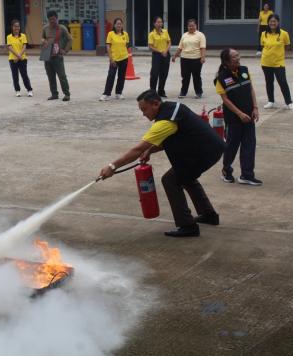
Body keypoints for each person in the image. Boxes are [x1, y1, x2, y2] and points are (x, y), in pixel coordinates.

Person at [99, 90, 225, 237]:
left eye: (144, 109)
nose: (144, 114)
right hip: (209, 147)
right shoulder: (172, 109)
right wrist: (150, 151)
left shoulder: (165, 121)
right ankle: (209, 215)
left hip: (203, 152)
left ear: (156, 104)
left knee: (171, 180)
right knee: (185, 177)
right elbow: (171, 137)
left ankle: (187, 225)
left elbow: (137, 149)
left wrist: (112, 167)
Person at [215, 48, 262, 186]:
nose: (238, 58)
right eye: (235, 56)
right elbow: (225, 100)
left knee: (249, 144)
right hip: (234, 118)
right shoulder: (221, 78)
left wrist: (255, 108)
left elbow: (251, 89)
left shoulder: (244, 70)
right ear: (227, 61)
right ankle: (226, 171)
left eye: (238, 55)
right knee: (231, 146)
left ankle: (247, 175)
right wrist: (239, 113)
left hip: (249, 115)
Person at [260, 14, 293, 111]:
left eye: (274, 21)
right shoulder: (264, 34)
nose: (272, 23)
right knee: (269, 82)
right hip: (266, 62)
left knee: (283, 82)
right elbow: (263, 46)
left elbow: (287, 46)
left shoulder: (284, 34)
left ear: (278, 22)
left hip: (278, 63)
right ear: (268, 22)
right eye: (271, 21)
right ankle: (271, 101)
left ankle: (289, 103)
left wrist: (278, 54)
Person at [41, 10, 72, 102]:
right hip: (47, 55)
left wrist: (65, 50)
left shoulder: (62, 28)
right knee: (50, 76)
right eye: (50, 19)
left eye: (53, 19)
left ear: (56, 18)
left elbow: (70, 39)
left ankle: (67, 94)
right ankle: (54, 94)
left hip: (57, 56)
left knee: (62, 76)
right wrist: (43, 41)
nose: (52, 21)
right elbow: (42, 37)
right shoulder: (45, 28)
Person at [172, 19, 206, 99]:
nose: (191, 27)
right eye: (189, 26)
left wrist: (203, 57)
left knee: (196, 76)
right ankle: (183, 92)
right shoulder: (184, 35)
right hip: (184, 59)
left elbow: (203, 47)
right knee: (185, 76)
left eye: (193, 25)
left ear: (196, 26)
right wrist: (175, 56)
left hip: (196, 59)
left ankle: (198, 92)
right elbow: (180, 47)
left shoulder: (200, 35)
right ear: (187, 26)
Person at [99, 18, 129, 101]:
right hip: (114, 59)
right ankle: (106, 94)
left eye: (120, 24)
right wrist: (111, 58)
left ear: (122, 25)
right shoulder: (110, 34)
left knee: (121, 76)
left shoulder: (125, 34)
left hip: (124, 58)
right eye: (117, 24)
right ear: (114, 25)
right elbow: (108, 47)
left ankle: (118, 93)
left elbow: (126, 45)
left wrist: (123, 53)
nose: (119, 25)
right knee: (111, 76)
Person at [7, 19, 33, 98]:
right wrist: (17, 56)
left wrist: (19, 56)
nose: (17, 28)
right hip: (13, 59)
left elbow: (24, 46)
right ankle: (17, 90)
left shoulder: (23, 36)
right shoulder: (9, 37)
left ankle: (29, 90)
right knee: (15, 76)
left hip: (22, 59)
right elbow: (10, 47)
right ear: (12, 27)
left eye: (18, 26)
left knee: (24, 75)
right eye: (15, 26)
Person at [148, 16, 171, 98]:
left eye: (161, 22)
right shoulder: (151, 34)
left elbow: (169, 42)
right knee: (154, 74)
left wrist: (165, 51)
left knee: (164, 74)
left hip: (166, 55)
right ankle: (153, 92)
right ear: (154, 24)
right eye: (158, 22)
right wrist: (160, 51)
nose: (159, 23)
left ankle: (161, 91)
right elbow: (150, 46)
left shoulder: (165, 32)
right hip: (156, 55)